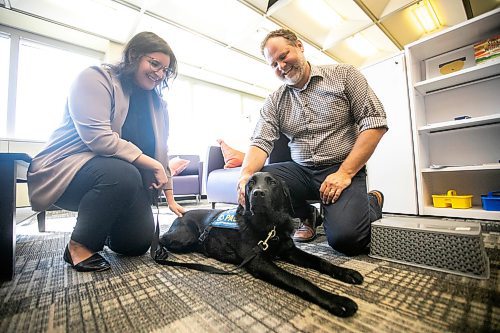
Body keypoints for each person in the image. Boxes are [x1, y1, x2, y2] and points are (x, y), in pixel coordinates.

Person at [27, 31, 186, 272]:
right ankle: (79, 246)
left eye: (165, 69)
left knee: (135, 244)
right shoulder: (94, 78)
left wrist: (170, 195)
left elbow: (161, 151)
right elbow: (99, 139)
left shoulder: (158, 104)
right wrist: (150, 165)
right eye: (154, 63)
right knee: (122, 172)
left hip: (123, 181)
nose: (159, 73)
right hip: (70, 171)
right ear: (133, 55)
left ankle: (104, 223)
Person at [237, 29, 388, 256]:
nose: (281, 66)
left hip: (342, 168)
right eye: (274, 64)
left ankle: (371, 201)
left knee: (347, 240)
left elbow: (374, 122)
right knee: (262, 179)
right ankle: (307, 214)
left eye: (283, 56)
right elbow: (260, 140)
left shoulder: (344, 75)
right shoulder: (275, 101)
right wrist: (245, 176)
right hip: (301, 171)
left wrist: (345, 173)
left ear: (299, 46)